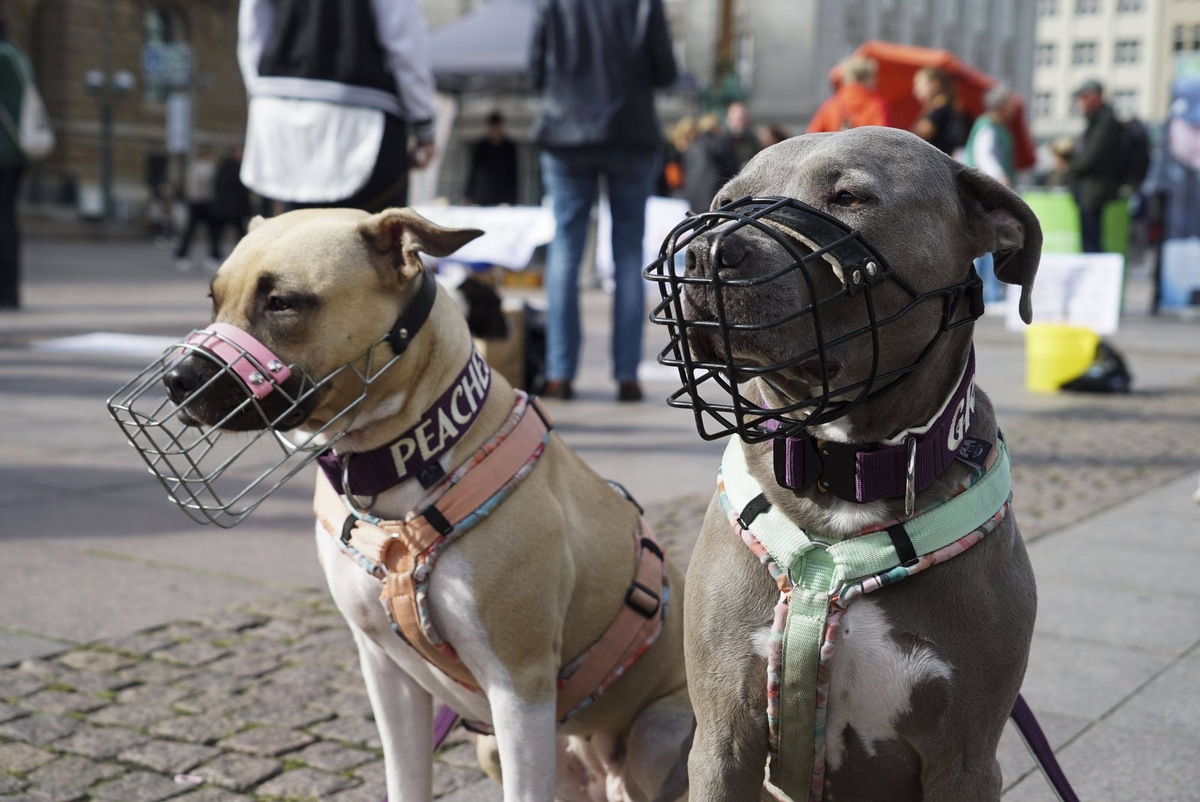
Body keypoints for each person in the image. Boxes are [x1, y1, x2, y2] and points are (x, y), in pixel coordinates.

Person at [530, 0, 677, 403]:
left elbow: (535, 70)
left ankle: (560, 373)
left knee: (565, 249)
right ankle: (627, 375)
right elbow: (666, 69)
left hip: (564, 129)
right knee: (628, 252)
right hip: (630, 130)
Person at [237, 0, 436, 213]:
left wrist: (262, 99)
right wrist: (424, 126)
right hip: (362, 117)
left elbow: (252, 32)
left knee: (292, 234)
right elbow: (404, 41)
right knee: (376, 239)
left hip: (281, 118)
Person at [1067, 79, 1124, 253]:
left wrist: (1069, 166)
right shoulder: (1096, 121)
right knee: (1089, 240)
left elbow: (1092, 156)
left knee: (1093, 242)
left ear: (1096, 96)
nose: (1081, 102)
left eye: (1084, 97)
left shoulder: (1106, 122)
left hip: (1097, 192)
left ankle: (1098, 278)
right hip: (1090, 191)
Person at [0, 14, 31, 309]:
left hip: (3, 149)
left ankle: (6, 291)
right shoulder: (17, 54)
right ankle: (9, 291)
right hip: (16, 150)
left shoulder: (3, 56)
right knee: (8, 219)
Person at [806, 56, 890, 134]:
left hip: (834, 148)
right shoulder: (877, 104)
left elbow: (812, 135)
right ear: (867, 78)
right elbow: (883, 136)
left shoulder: (830, 105)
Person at [174, 146, 220, 273]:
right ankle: (213, 256)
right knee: (212, 231)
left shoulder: (192, 167)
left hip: (193, 201)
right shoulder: (208, 167)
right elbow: (210, 183)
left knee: (190, 230)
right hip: (205, 201)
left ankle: (182, 255)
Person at [683, 112, 739, 214]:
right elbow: (733, 169)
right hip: (713, 199)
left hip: (694, 200)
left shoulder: (692, 146)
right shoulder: (720, 144)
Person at [464, 111, 518, 206]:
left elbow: (513, 174)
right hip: (483, 195)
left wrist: (513, 198)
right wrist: (468, 195)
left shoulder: (509, 147)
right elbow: (474, 171)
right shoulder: (481, 146)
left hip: (503, 194)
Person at [912, 66, 968, 156]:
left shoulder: (940, 112)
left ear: (935, 84)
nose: (916, 90)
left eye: (920, 84)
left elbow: (919, 134)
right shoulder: (948, 108)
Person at [211, 145, 252, 253]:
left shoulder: (223, 167)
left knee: (219, 233)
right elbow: (242, 191)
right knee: (240, 234)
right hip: (234, 208)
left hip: (225, 207)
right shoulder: (237, 168)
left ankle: (215, 254)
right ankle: (242, 254)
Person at [723, 100, 759, 169]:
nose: (741, 120)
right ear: (729, 118)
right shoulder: (721, 141)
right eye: (738, 119)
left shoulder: (753, 141)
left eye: (743, 116)